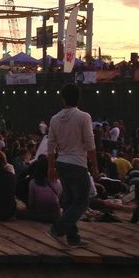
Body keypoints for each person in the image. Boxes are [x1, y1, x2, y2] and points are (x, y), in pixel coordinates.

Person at [47, 83, 98, 248]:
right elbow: (90, 144)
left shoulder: (54, 119)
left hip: (62, 163)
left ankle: (73, 239)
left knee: (69, 202)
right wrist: (95, 166)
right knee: (82, 202)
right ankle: (58, 228)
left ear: (63, 99)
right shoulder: (84, 117)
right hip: (78, 163)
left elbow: (50, 146)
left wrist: (51, 167)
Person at [19, 156, 61, 223]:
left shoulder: (33, 182)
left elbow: (31, 202)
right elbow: (57, 198)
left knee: (19, 212)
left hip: (40, 214)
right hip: (55, 215)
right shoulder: (57, 182)